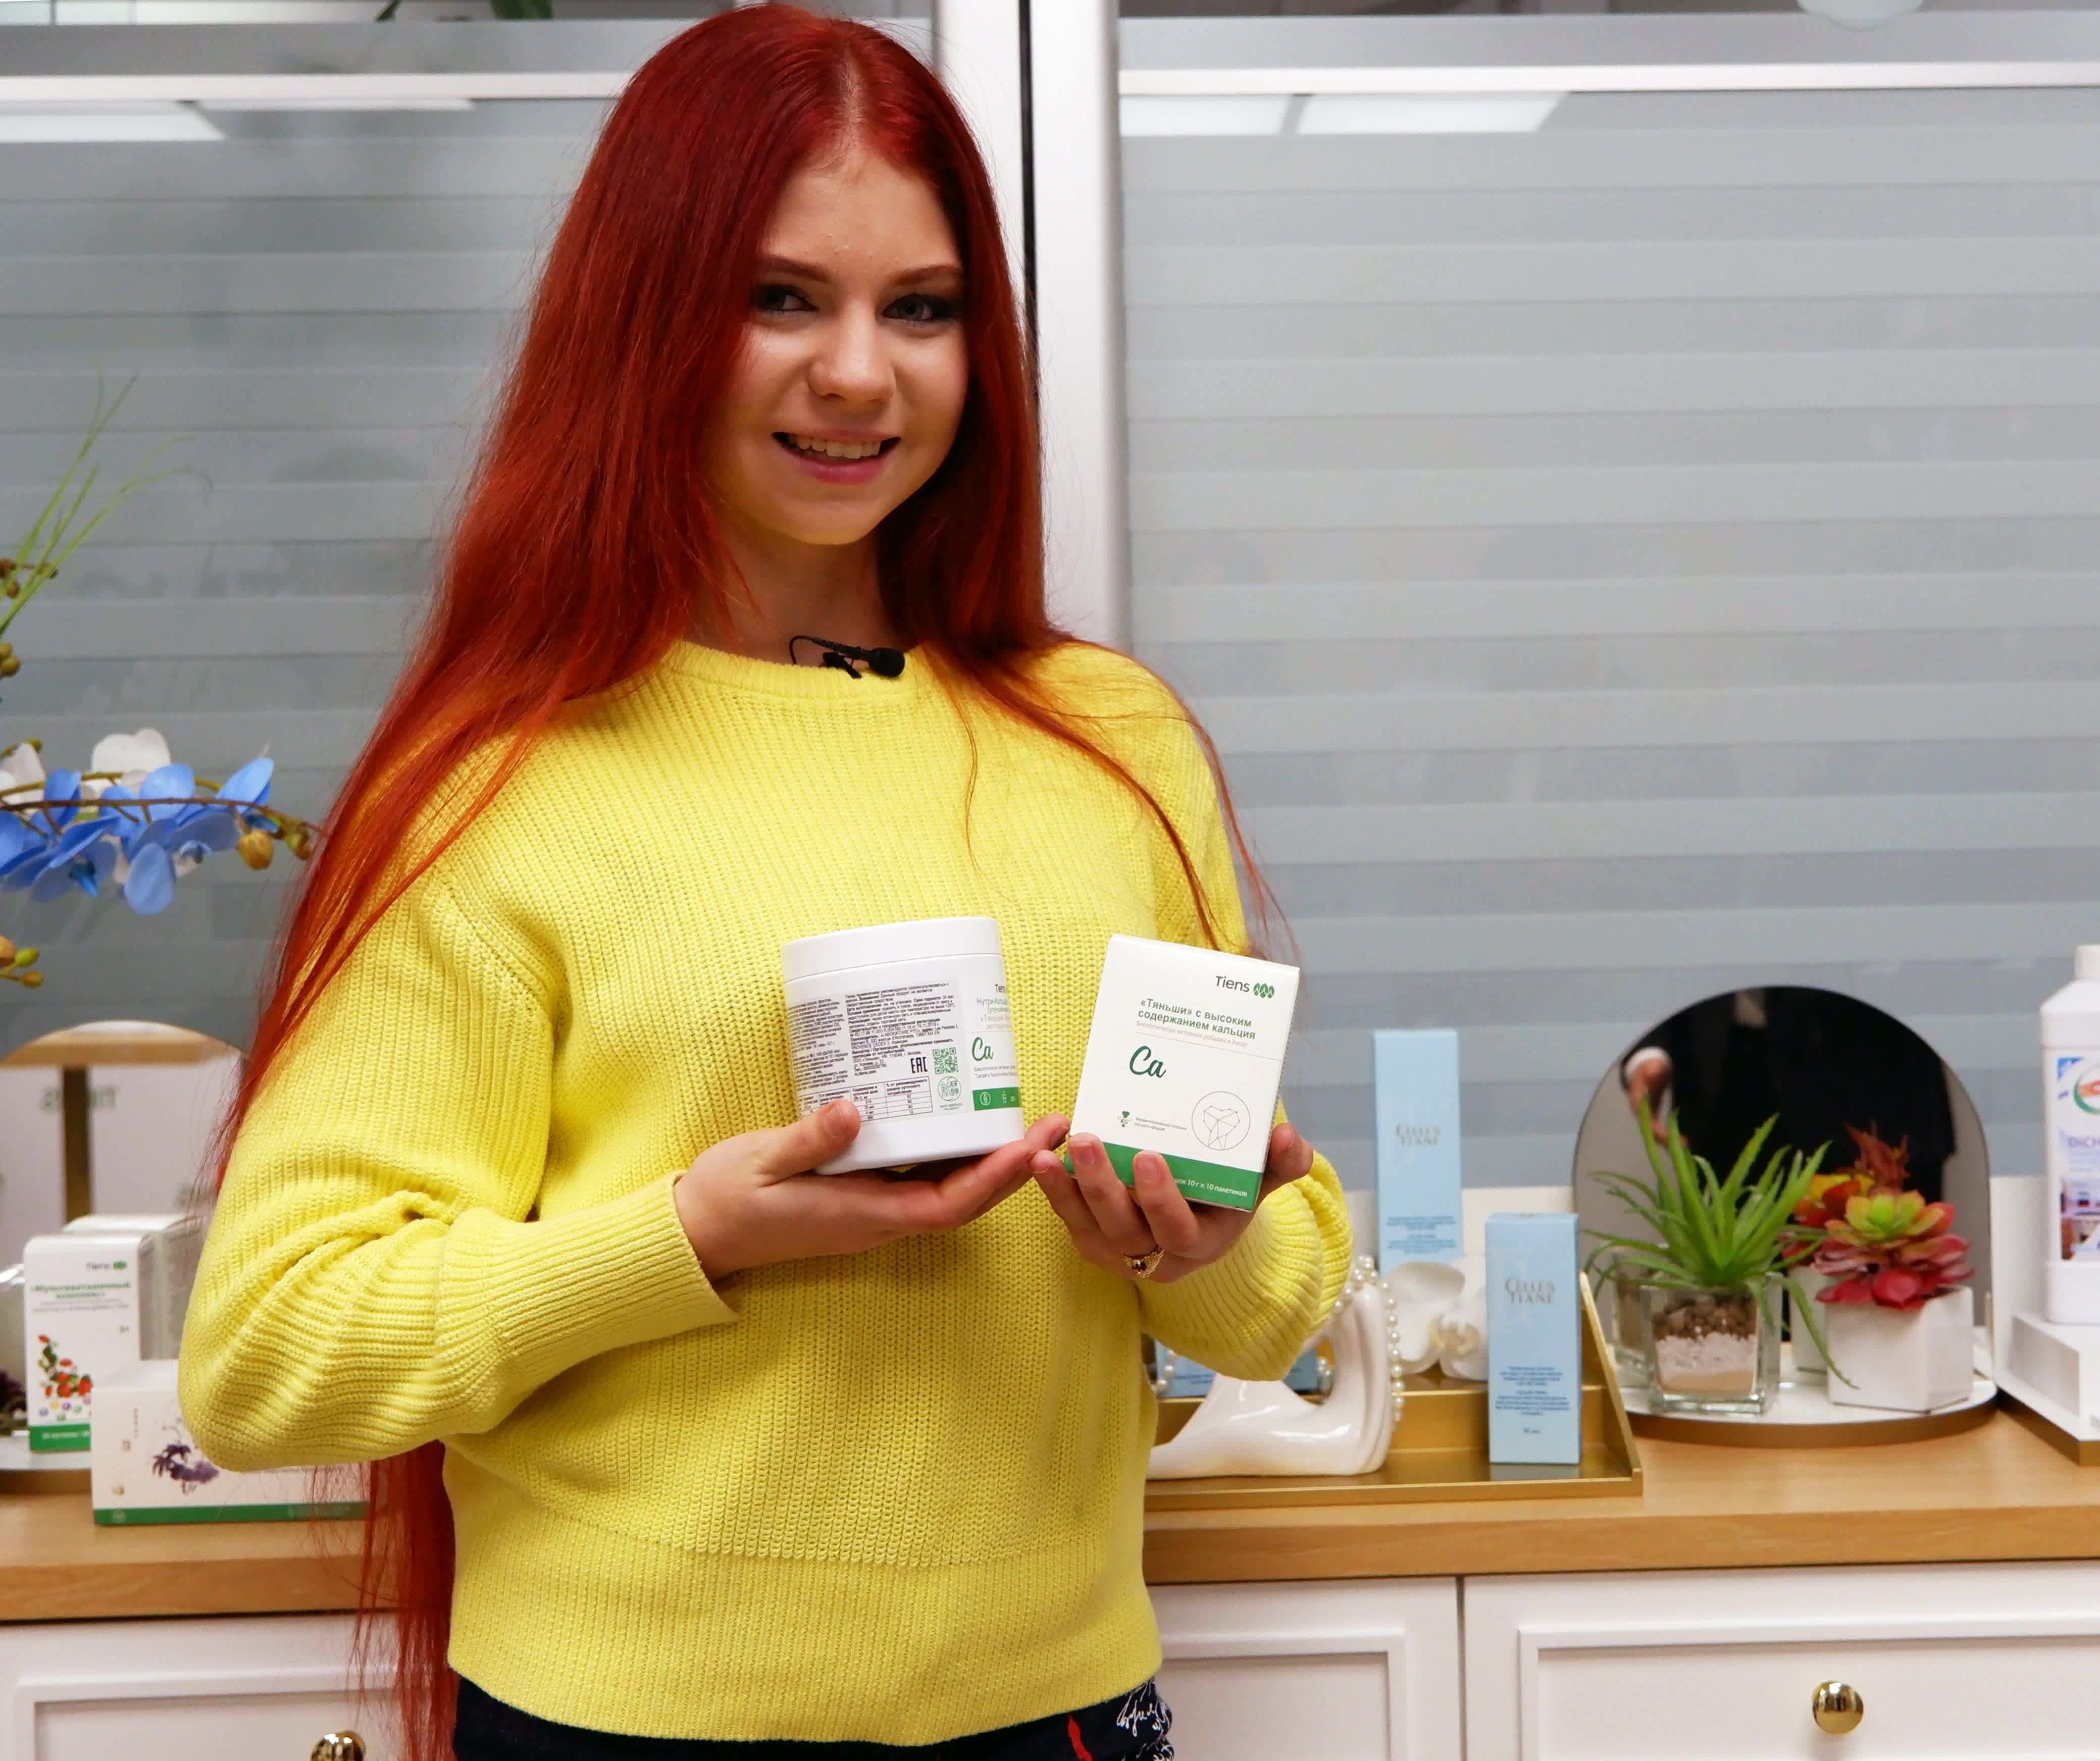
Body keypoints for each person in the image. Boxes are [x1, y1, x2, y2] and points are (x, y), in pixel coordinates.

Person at [176, 13, 1350, 1759]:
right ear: (645, 321)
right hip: (624, 1724)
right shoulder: (502, 784)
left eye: (923, 308)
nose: (861, 374)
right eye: (781, 298)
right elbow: (270, 1355)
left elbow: (1275, 1293)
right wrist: (691, 1235)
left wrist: (1210, 1242)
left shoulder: (1110, 741)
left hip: (1061, 1709)